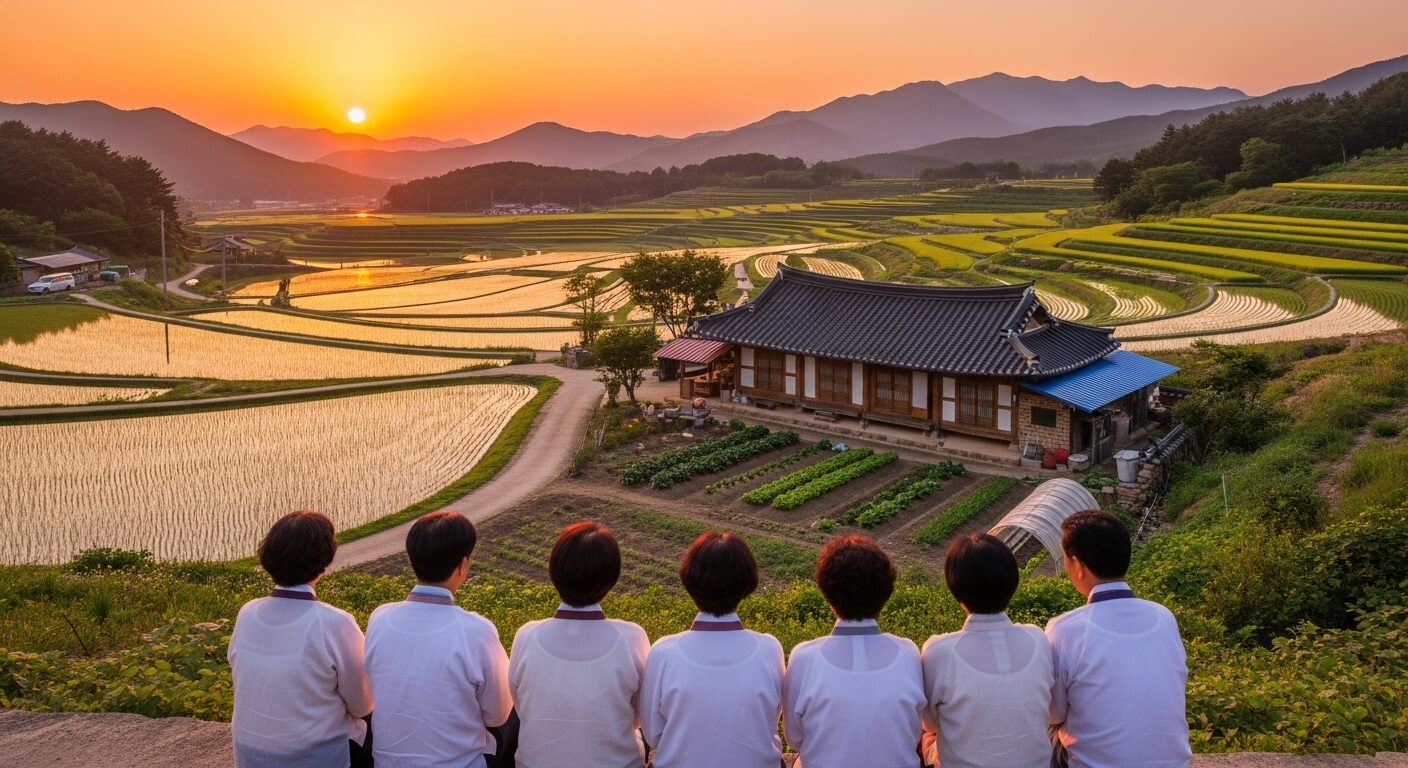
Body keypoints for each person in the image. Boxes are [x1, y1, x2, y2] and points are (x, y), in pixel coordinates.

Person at [363, 511, 512, 768]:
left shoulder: (380, 618)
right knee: (514, 713)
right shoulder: (477, 631)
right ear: (462, 565)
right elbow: (498, 715)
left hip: (385, 763)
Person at [1046, 510, 1191, 768]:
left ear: (1077, 565)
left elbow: (1054, 712)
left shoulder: (1065, 629)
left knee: (1046, 734)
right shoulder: (1164, 618)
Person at [229, 511, 374, 768]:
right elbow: (361, 704)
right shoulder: (334, 622)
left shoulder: (247, 612)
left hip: (248, 753)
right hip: (310, 757)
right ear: (325, 561)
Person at [509, 522, 651, 768]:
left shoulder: (527, 636)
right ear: (611, 578)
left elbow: (521, 707)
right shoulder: (631, 638)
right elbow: (638, 719)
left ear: (554, 572)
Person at [640, 531, 784, 768]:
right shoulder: (769, 649)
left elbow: (653, 734)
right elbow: (768, 721)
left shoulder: (664, 652)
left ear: (689, 581)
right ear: (747, 584)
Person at [784, 535, 924, 768]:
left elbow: (795, 738)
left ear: (826, 591)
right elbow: (913, 729)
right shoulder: (908, 652)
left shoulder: (804, 658)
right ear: (886, 592)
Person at [920, 533, 1052, 768]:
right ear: (1012, 582)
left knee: (928, 735)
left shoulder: (939, 652)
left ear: (955, 587)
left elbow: (930, 724)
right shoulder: (1038, 638)